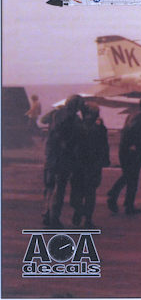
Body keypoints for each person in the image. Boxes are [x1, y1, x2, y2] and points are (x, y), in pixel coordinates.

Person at [107, 96, 141, 215]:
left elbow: (127, 131)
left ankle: (124, 201)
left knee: (129, 176)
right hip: (132, 150)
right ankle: (117, 196)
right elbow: (135, 131)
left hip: (124, 149)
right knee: (132, 177)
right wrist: (135, 145)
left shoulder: (133, 115)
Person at [42, 94, 84, 228]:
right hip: (64, 158)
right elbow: (78, 138)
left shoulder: (56, 113)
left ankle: (46, 214)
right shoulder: (75, 120)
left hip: (50, 155)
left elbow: (43, 120)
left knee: (49, 187)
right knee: (59, 189)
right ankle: (54, 218)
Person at [70, 103, 110, 228]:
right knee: (90, 193)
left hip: (79, 164)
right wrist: (105, 161)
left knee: (77, 191)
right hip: (93, 165)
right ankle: (87, 218)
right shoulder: (100, 129)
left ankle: (79, 211)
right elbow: (104, 146)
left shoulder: (77, 126)